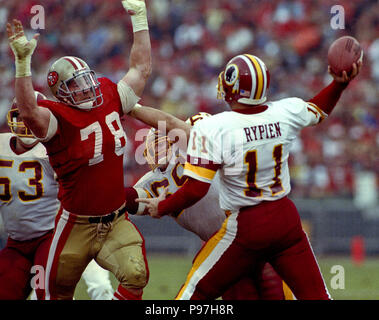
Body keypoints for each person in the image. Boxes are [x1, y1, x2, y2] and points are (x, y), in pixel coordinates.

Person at [137, 53, 362, 299]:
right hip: (286, 220)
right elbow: (320, 109)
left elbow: (196, 190)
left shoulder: (215, 127)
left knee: (195, 291)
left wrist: (163, 206)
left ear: (232, 87)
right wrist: (339, 84)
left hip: (246, 225)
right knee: (316, 295)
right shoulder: (285, 111)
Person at [6, 0, 189, 300]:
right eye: (76, 85)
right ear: (61, 93)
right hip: (74, 224)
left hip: (115, 218)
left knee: (136, 275)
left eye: (86, 79)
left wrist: (139, 18)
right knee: (52, 292)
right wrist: (23, 65)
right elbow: (28, 112)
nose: (87, 87)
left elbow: (141, 69)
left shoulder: (107, 93)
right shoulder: (56, 117)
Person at [126, 112, 294, 300]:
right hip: (224, 243)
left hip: (250, 230)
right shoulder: (154, 181)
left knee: (276, 289)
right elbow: (133, 199)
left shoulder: (196, 146)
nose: (158, 150)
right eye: (154, 145)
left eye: (161, 143)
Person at [0, 93, 113, 300]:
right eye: (22, 117)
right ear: (12, 118)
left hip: (52, 237)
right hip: (16, 242)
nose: (27, 123)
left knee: (50, 293)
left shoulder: (54, 148)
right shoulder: (1, 145)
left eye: (32, 118)